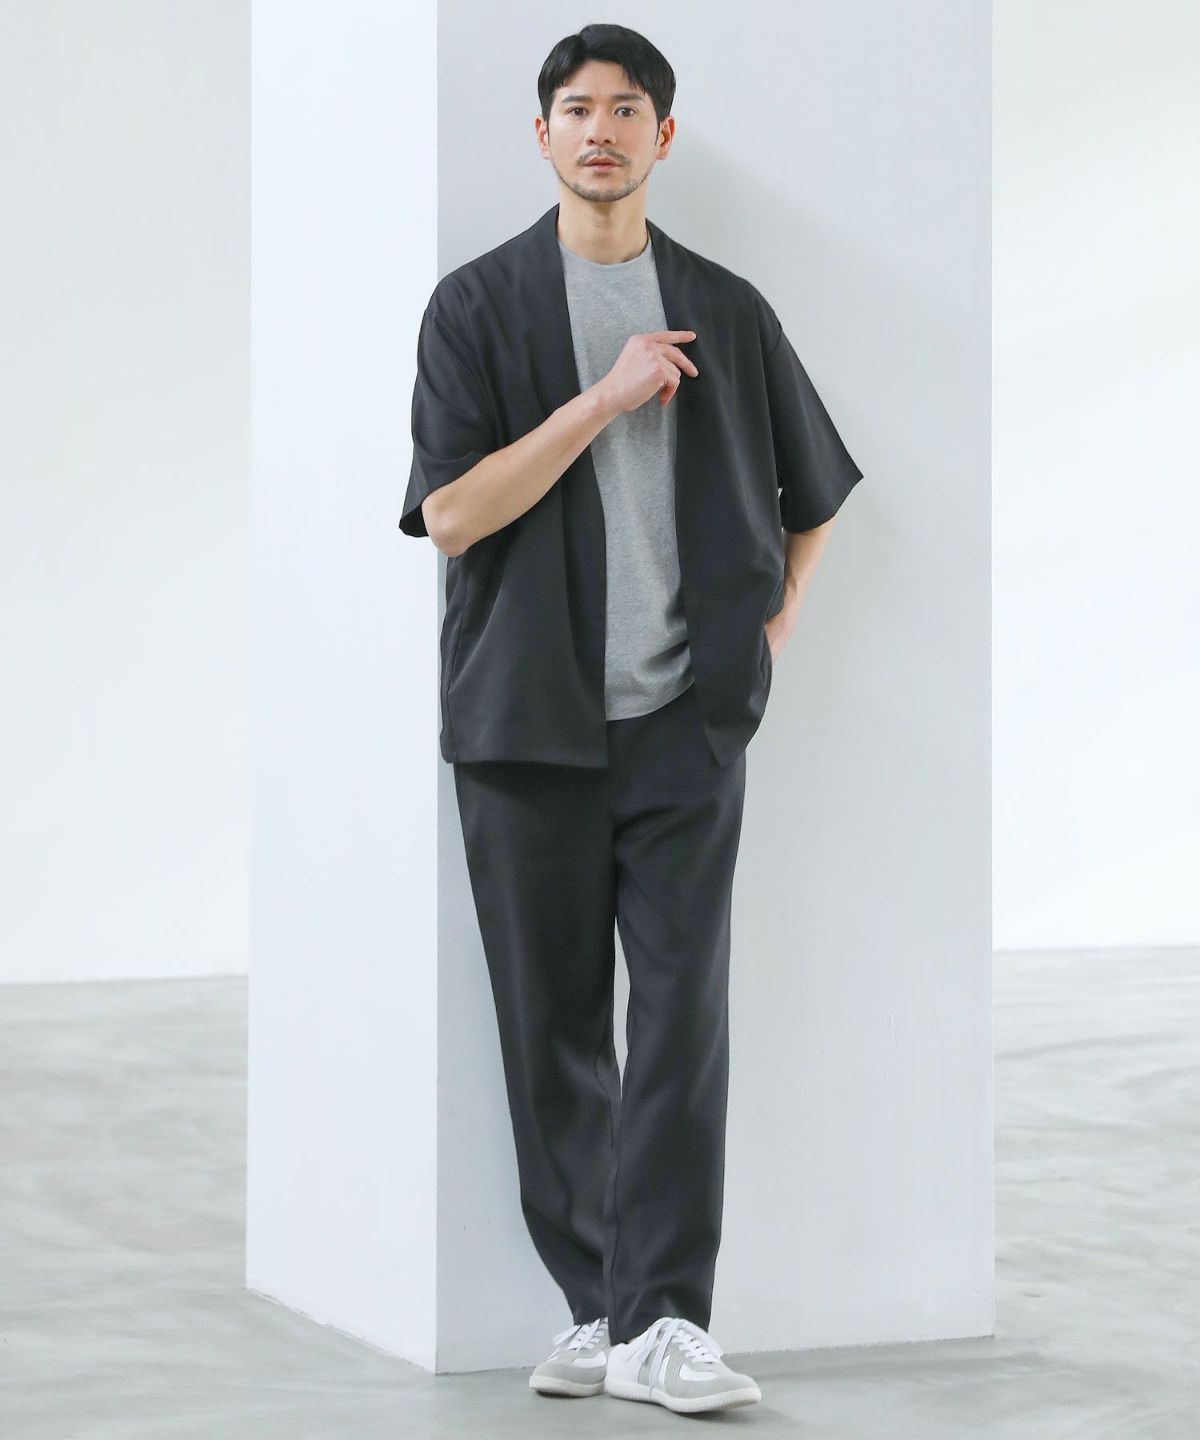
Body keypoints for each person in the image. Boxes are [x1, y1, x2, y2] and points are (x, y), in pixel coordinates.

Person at [399, 23, 863, 1416]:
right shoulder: (476, 308)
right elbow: (451, 514)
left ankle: (666, 1322)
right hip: (523, 728)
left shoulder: (727, 309)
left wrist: (776, 623)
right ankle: (599, 1305)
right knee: (549, 1032)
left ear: (664, 135)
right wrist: (602, 400)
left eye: (625, 109)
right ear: (541, 134)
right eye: (576, 108)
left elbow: (817, 493)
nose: (599, 130)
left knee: (676, 1026)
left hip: (683, 727)